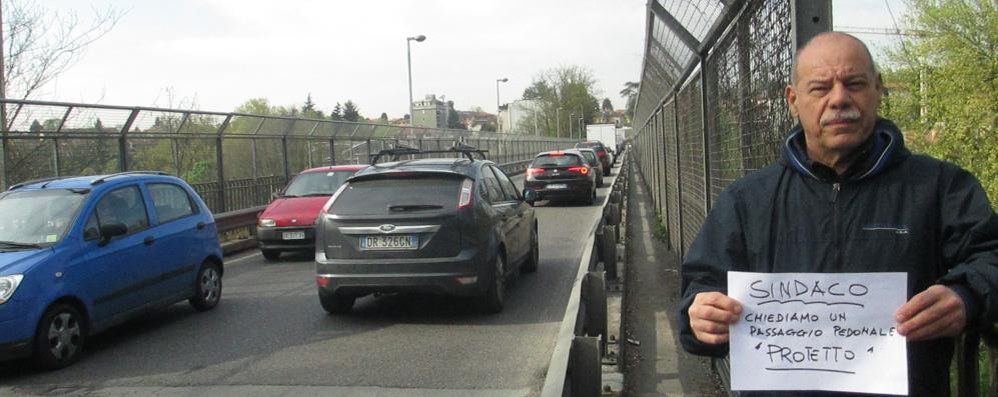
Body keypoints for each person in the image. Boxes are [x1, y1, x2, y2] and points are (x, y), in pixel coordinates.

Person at [678, 31, 998, 396]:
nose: (839, 99)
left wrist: (967, 296)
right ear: (793, 100)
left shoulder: (940, 188)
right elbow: (701, 290)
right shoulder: (745, 202)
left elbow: (991, 255)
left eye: (854, 83)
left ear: (878, 89)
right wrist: (700, 317)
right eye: (820, 88)